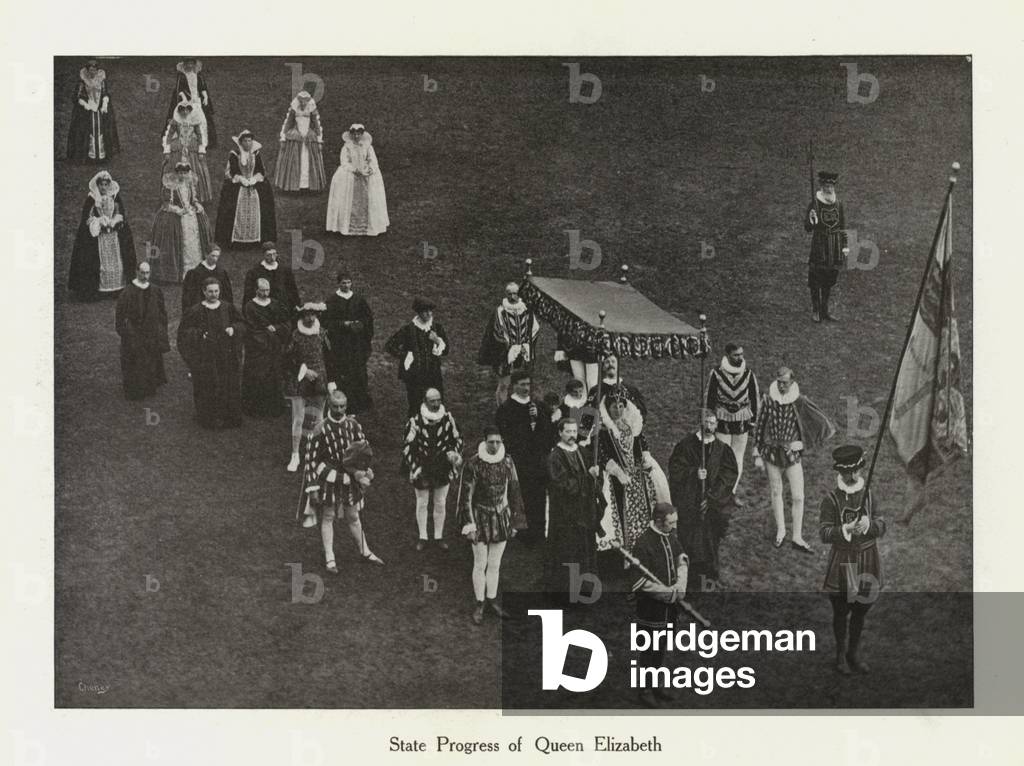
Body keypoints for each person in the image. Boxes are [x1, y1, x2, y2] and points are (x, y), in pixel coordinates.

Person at [753, 366, 836, 551]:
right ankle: (781, 530)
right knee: (776, 491)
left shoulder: (799, 401)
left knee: (798, 496)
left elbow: (820, 424)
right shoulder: (768, 399)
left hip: (792, 453)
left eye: (785, 383)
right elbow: (760, 426)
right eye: (780, 382)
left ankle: (797, 536)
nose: (782, 386)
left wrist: (802, 443)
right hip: (772, 452)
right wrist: (757, 453)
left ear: (792, 382)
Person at [298, 390, 384, 569]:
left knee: (353, 516)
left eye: (342, 406)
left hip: (350, 477)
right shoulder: (320, 428)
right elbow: (310, 459)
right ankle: (330, 558)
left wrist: (364, 472)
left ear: (346, 406)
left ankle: (365, 551)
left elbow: (364, 450)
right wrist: (313, 487)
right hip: (329, 477)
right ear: (329, 405)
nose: (339, 410)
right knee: (328, 516)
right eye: (335, 406)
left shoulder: (353, 425)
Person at [819, 445, 886, 675]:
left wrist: (871, 525)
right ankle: (840, 655)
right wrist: (844, 529)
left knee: (862, 608)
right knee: (842, 610)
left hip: (868, 558)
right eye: (849, 472)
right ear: (840, 472)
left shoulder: (868, 495)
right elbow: (824, 533)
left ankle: (853, 653)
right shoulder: (831, 499)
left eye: (857, 470)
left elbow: (882, 524)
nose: (854, 476)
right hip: (845, 561)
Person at [457, 427, 526, 624]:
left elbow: (514, 490)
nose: (494, 445)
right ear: (485, 441)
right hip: (480, 518)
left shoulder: (507, 462)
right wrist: (469, 525)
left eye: (498, 442)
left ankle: (492, 599)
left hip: (501, 518)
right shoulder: (473, 464)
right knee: (480, 563)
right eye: (491, 442)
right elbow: (465, 497)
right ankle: (479, 603)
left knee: (495, 564)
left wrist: (515, 521)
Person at [668, 409, 738, 590]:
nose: (710, 427)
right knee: (690, 541)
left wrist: (713, 497)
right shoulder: (686, 446)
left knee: (710, 541)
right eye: (706, 422)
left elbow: (728, 475)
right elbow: (676, 471)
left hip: (712, 505)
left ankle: (710, 578)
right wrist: (693, 474)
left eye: (713, 423)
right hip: (690, 504)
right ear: (700, 422)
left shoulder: (723, 450)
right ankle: (688, 579)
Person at [595, 390, 669, 554]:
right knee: (620, 515)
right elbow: (601, 455)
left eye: (621, 406)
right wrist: (618, 472)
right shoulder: (603, 430)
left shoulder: (631, 424)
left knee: (643, 511)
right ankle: (623, 553)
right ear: (608, 409)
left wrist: (644, 459)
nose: (619, 410)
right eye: (615, 407)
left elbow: (641, 444)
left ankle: (643, 550)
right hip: (616, 479)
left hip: (635, 476)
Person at [630, 502, 688, 708]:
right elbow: (639, 583)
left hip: (670, 608)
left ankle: (655, 684)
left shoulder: (671, 536)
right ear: (658, 521)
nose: (674, 527)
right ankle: (644, 689)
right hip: (651, 610)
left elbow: (682, 559)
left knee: (661, 647)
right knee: (649, 650)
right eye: (670, 523)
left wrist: (681, 585)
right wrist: (666, 594)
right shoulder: (643, 544)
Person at [495, 371, 554, 546]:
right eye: (522, 384)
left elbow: (548, 433)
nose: (526, 388)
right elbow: (508, 435)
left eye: (528, 384)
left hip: (538, 460)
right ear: (514, 386)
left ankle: (539, 531)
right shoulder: (506, 409)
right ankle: (524, 532)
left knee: (539, 496)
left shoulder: (538, 406)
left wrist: (539, 419)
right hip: (520, 460)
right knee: (523, 496)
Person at [176, 278, 245, 429]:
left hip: (226, 356)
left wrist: (233, 329)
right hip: (205, 358)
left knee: (227, 385)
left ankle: (229, 416)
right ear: (204, 292)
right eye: (210, 291)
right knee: (208, 387)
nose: (214, 294)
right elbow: (183, 334)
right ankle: (209, 418)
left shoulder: (227, 308)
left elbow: (241, 323)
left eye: (216, 291)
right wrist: (200, 334)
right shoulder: (195, 311)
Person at [545, 418, 602, 597]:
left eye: (574, 432)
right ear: (560, 433)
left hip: (584, 512)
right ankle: (566, 592)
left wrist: (596, 476)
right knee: (567, 551)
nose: (572, 436)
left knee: (584, 549)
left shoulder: (583, 452)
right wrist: (587, 477)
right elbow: (561, 485)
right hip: (565, 515)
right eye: (568, 432)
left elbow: (593, 479)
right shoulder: (554, 456)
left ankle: (584, 589)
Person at [402, 388, 463, 550]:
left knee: (440, 502)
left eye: (438, 400)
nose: (436, 404)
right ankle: (423, 536)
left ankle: (438, 536)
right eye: (432, 401)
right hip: (422, 468)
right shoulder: (415, 422)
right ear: (425, 402)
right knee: (422, 502)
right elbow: (407, 447)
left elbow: (458, 440)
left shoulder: (448, 419)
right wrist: (415, 467)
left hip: (442, 467)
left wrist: (454, 454)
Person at [704, 342, 760, 506]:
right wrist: (709, 419)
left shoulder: (748, 374)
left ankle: (731, 493)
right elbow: (710, 397)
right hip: (722, 420)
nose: (740, 357)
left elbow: (754, 398)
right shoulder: (716, 373)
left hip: (742, 419)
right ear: (728, 355)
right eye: (736, 355)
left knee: (737, 458)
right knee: (720, 456)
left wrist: (754, 421)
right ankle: (717, 492)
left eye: (741, 354)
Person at [68, 170, 136, 300]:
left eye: (106, 184)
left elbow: (120, 213)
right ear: (97, 185)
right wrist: (99, 222)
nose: (104, 187)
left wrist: (115, 220)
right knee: (99, 262)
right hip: (99, 237)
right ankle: (99, 289)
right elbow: (87, 219)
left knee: (117, 260)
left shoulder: (115, 196)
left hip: (113, 236)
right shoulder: (92, 199)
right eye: (101, 185)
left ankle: (117, 287)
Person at [283, 302, 333, 472]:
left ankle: (314, 453)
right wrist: (304, 371)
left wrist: (329, 379)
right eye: (307, 315)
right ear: (302, 316)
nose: (310, 318)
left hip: (320, 379)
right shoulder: (295, 335)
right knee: (298, 418)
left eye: (313, 315)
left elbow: (330, 357)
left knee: (318, 418)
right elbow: (287, 359)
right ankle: (295, 455)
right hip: (300, 380)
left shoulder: (322, 333)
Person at [477, 282, 540, 407]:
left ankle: (523, 407)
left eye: (515, 293)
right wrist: (509, 346)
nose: (512, 296)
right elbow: (496, 332)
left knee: (524, 382)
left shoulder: (526, 310)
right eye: (509, 293)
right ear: (506, 294)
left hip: (524, 352)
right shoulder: (500, 312)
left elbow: (535, 329)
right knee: (504, 383)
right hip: (505, 353)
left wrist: (526, 345)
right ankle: (503, 410)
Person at [385, 298, 450, 418]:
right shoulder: (409, 329)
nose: (429, 314)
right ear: (419, 313)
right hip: (415, 376)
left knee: (435, 402)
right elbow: (390, 345)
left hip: (433, 374)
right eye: (425, 312)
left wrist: (436, 340)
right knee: (416, 404)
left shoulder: (437, 328)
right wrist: (406, 355)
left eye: (430, 311)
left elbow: (446, 350)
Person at [150, 161, 212, 284]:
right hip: (175, 215)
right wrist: (178, 210)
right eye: (180, 173)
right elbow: (167, 204)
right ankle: (177, 272)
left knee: (195, 237)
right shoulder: (170, 185)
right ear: (176, 173)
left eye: (185, 172)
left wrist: (197, 205)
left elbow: (193, 199)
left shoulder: (190, 185)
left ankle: (195, 268)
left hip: (190, 215)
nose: (183, 175)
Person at [114, 262, 169, 401]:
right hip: (134, 334)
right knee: (135, 362)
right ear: (137, 272)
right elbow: (120, 316)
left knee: (151, 360)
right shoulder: (127, 292)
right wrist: (127, 333)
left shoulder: (155, 290)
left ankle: (151, 386)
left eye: (147, 273)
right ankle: (137, 389)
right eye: (142, 273)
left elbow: (162, 312)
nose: (145, 276)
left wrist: (161, 328)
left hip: (151, 332)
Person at [324, 270, 375, 413]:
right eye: (343, 283)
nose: (346, 285)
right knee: (343, 371)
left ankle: (360, 402)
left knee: (358, 370)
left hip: (356, 343)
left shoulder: (358, 299)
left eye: (348, 282)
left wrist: (360, 324)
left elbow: (368, 319)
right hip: (340, 344)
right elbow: (327, 322)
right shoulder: (332, 300)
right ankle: (343, 402)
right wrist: (343, 324)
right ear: (338, 283)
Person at [215, 130, 277, 248]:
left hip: (254, 184)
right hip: (238, 185)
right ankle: (236, 240)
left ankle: (258, 239)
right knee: (232, 206)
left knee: (262, 202)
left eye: (250, 141)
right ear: (241, 142)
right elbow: (232, 171)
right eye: (245, 141)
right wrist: (241, 179)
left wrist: (254, 178)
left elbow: (261, 170)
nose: (248, 143)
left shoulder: (256, 153)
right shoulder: (235, 154)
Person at [325, 123, 389, 236]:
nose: (356, 136)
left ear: (362, 134)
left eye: (359, 134)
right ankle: (348, 225)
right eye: (354, 134)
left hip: (365, 173)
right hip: (351, 173)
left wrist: (370, 169)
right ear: (351, 135)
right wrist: (354, 169)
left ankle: (367, 225)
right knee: (348, 196)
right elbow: (344, 162)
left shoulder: (368, 146)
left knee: (370, 196)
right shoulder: (346, 147)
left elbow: (373, 160)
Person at [241, 277, 291, 418]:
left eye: (267, 290)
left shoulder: (276, 304)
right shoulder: (250, 307)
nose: (265, 293)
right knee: (258, 375)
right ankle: (256, 408)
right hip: (258, 348)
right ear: (256, 290)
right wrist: (266, 333)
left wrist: (276, 328)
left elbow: (286, 322)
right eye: (262, 290)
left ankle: (274, 407)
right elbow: (250, 328)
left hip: (274, 347)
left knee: (274, 374)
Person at [805, 171, 849, 322]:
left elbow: (842, 225)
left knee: (829, 279)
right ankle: (816, 310)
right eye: (826, 186)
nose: (829, 189)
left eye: (831, 186)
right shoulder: (815, 203)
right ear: (822, 186)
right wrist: (812, 220)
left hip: (834, 246)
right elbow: (807, 228)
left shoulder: (838, 204)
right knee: (816, 278)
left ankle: (825, 310)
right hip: (820, 245)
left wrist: (845, 245)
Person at [67, 58, 119, 162]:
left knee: (102, 131)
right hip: (87, 111)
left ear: (97, 71)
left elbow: (105, 93)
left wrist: (104, 103)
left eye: (94, 70)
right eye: (90, 70)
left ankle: (101, 155)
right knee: (87, 131)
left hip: (99, 110)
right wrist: (85, 104)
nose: (92, 72)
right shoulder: (83, 81)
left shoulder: (101, 80)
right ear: (87, 70)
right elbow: (78, 96)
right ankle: (88, 156)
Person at [273, 91, 326, 192]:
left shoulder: (311, 109)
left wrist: (319, 140)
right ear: (298, 101)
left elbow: (316, 125)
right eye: (301, 101)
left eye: (305, 102)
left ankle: (308, 186)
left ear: (308, 101)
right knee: (295, 161)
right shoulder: (294, 109)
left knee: (308, 161)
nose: (303, 103)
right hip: (296, 138)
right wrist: (283, 138)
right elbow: (288, 123)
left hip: (308, 138)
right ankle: (294, 186)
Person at [162, 96, 212, 202]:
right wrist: (167, 150)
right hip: (178, 148)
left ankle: (194, 196)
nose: (185, 112)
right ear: (179, 111)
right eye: (182, 110)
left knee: (195, 169)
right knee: (175, 169)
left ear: (190, 110)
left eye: (187, 110)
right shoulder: (176, 122)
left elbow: (200, 136)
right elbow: (168, 135)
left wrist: (201, 150)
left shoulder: (195, 121)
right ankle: (175, 195)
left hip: (191, 149)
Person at [166, 58, 217, 148]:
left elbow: (202, 87)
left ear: (194, 65)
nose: (190, 66)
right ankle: (183, 141)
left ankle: (202, 141)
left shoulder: (198, 75)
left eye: (191, 64)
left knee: (202, 120)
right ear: (184, 65)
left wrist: (205, 96)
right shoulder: (182, 76)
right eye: (188, 64)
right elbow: (179, 90)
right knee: (185, 119)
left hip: (197, 101)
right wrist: (184, 99)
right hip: (186, 101)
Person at [242, 242, 300, 309]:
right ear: (263, 255)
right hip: (264, 306)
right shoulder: (254, 272)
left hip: (283, 305)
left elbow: (292, 290)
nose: (272, 258)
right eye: (269, 255)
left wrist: (296, 304)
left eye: (274, 254)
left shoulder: (285, 270)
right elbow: (249, 294)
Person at [181, 246, 233, 312]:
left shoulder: (221, 272)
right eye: (213, 256)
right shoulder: (195, 273)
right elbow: (189, 297)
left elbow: (227, 295)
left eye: (217, 256)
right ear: (206, 255)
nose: (215, 259)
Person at [549, 378, 597, 448]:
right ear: (569, 392)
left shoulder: (586, 403)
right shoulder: (566, 404)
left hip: (583, 433)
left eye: (580, 391)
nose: (578, 394)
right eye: (575, 392)